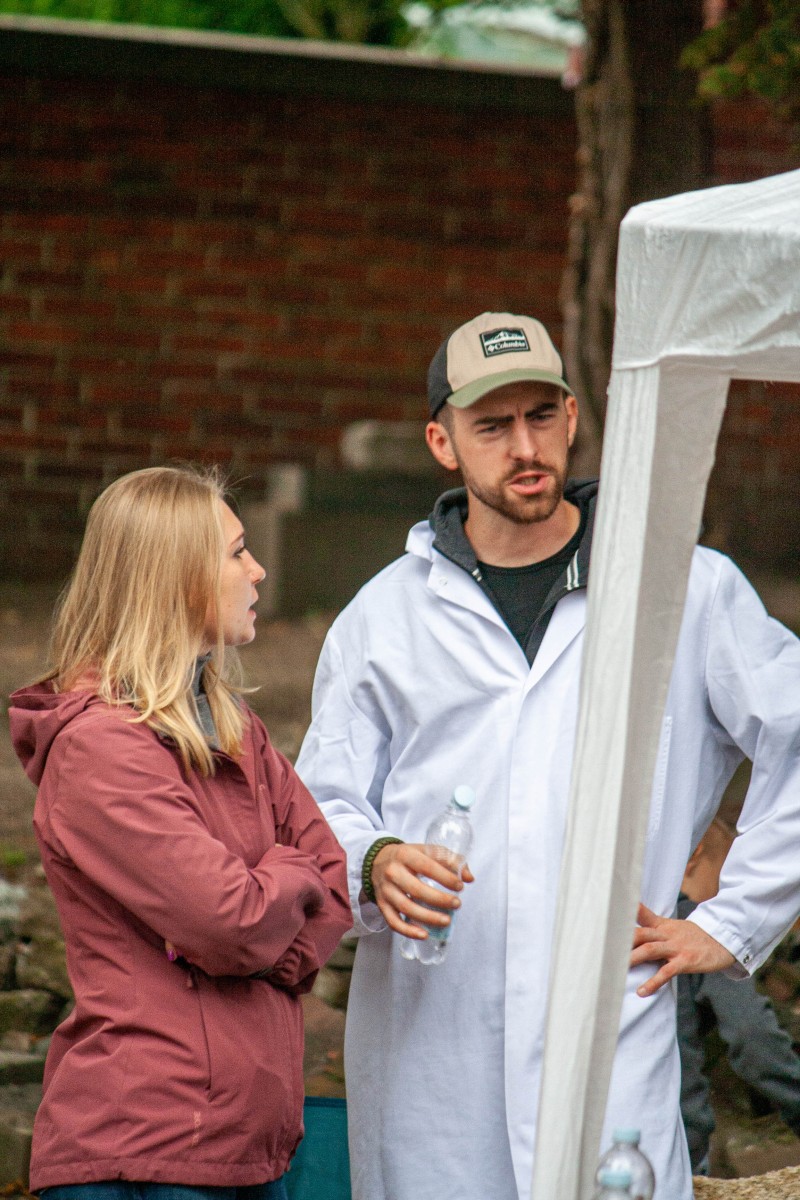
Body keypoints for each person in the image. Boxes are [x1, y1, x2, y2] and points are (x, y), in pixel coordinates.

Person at [295, 311, 800, 1200]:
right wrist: (373, 863)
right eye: (492, 425)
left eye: (540, 415)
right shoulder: (385, 618)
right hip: (431, 1049)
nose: (524, 447)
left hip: (611, 1045)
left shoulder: (681, 588)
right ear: (443, 442)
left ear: (572, 417)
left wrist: (733, 920)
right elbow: (315, 808)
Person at [8, 466, 352, 1200]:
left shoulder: (235, 725)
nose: (258, 571)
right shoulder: (99, 748)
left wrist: (264, 933)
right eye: (236, 552)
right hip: (144, 1151)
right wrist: (279, 889)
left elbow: (332, 881)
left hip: (247, 1146)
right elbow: (231, 921)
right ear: (175, 577)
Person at [677, 818, 800, 1173]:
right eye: (726, 881)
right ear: (694, 855)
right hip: (677, 1147)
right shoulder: (697, 931)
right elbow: (752, 1036)